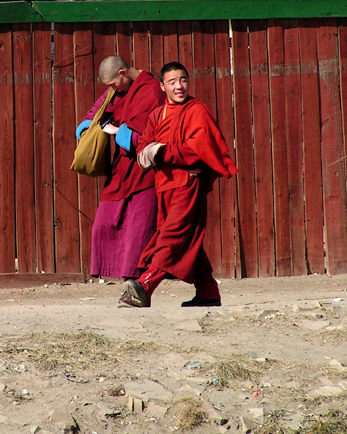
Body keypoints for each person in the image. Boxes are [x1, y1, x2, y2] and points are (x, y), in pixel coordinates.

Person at [119, 61, 237, 308]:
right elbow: (143, 150)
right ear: (162, 86)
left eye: (183, 80)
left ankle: (144, 286)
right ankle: (208, 292)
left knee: (172, 236)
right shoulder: (156, 115)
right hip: (163, 187)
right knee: (184, 238)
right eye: (172, 82)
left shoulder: (197, 111)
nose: (179, 86)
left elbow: (197, 150)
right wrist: (152, 152)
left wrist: (160, 152)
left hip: (187, 184)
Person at [76, 56, 165, 280]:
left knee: (138, 228)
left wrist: (120, 133)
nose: (111, 89)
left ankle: (135, 278)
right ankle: (115, 271)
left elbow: (151, 134)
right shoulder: (116, 92)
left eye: (112, 84)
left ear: (123, 73)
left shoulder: (152, 90)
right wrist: (88, 131)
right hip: (121, 169)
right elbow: (97, 111)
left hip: (144, 171)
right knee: (103, 224)